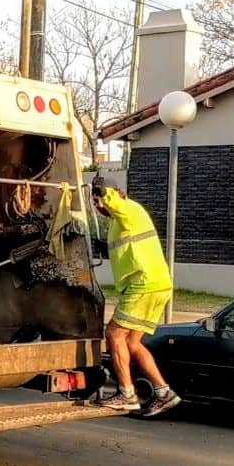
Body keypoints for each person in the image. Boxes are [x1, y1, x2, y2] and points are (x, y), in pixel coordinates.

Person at [92, 176, 181, 417]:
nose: (99, 206)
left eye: (99, 201)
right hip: (156, 283)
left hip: (143, 284)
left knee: (113, 334)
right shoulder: (120, 221)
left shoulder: (128, 208)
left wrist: (97, 185)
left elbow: (110, 198)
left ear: (116, 195)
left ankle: (126, 394)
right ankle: (164, 393)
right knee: (131, 342)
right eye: (96, 203)